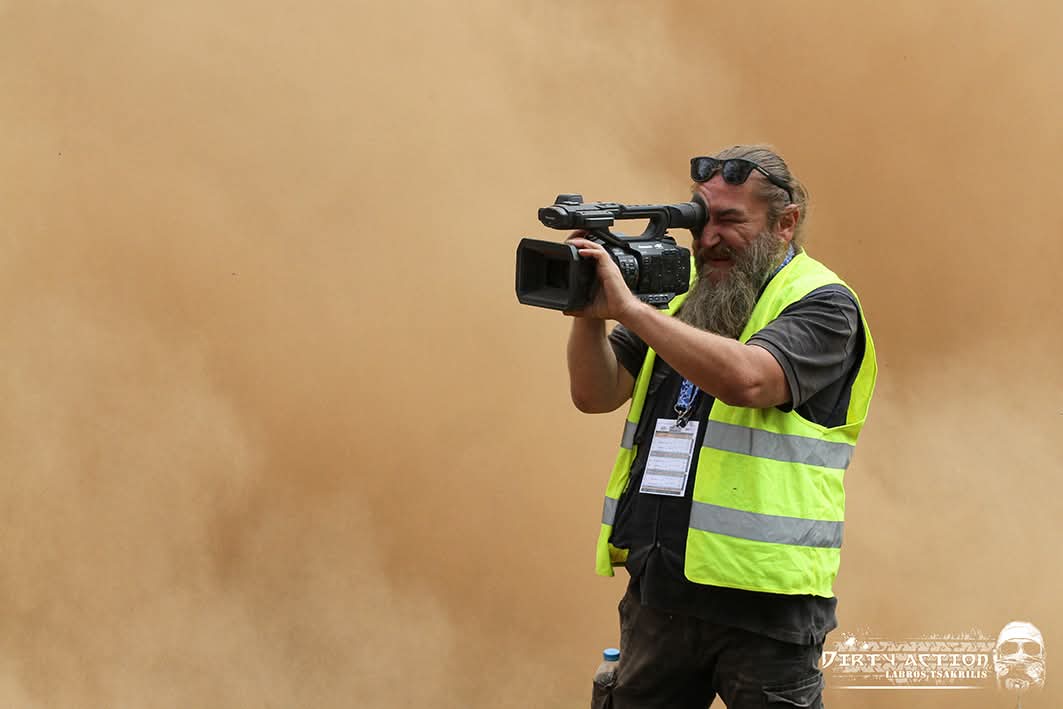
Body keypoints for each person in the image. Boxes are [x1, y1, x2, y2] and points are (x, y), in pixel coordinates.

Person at [567, 145, 878, 709]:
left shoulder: (824, 304)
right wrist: (588, 315)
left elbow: (750, 381)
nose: (708, 237)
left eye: (731, 221)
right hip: (663, 588)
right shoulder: (682, 292)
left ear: (786, 224)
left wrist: (632, 310)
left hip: (765, 606)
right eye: (699, 218)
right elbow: (596, 393)